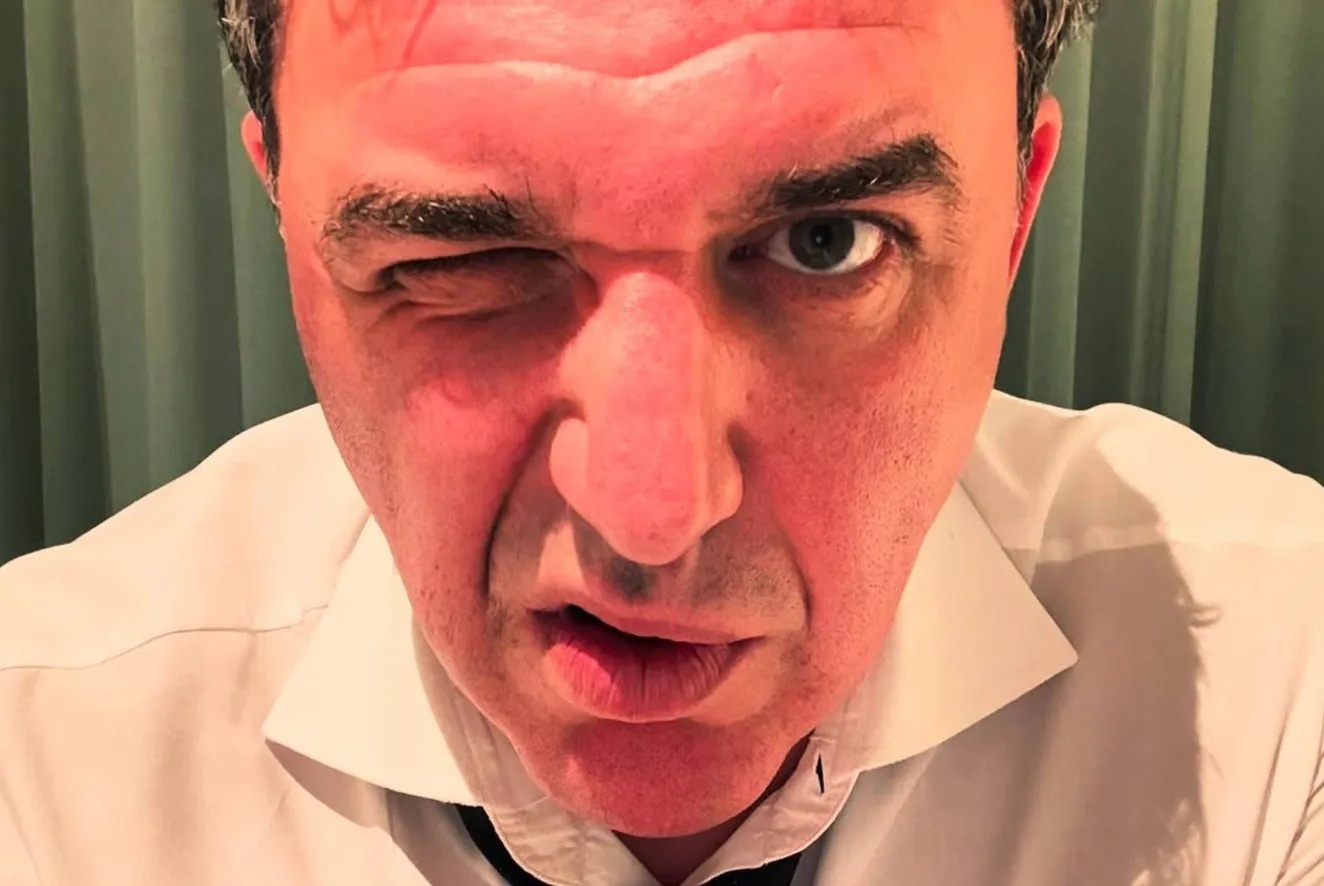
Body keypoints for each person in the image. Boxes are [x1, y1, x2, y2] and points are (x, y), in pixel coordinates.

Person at [3, 0, 1323, 883]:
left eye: (828, 242)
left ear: (1017, 217)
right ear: (287, 225)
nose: (651, 513)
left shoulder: (1286, 692)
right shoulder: (42, 766)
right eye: (464, 258)